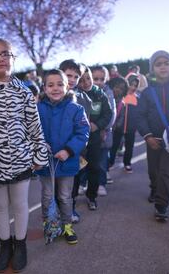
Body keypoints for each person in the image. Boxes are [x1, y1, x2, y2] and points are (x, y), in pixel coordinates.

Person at [0, 38, 48, 273]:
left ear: (13, 58)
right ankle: (5, 246)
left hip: (20, 158)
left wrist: (39, 155)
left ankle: (20, 245)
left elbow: (34, 127)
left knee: (20, 204)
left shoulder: (24, 92)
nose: (1, 58)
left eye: (6, 54)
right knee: (0, 206)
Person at [36, 69, 89, 244]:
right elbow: (31, 131)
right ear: (44, 87)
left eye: (60, 84)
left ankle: (67, 225)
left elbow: (82, 133)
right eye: (50, 85)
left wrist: (68, 150)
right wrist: (40, 144)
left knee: (65, 196)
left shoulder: (76, 109)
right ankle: (50, 225)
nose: (55, 88)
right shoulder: (37, 109)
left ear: (67, 87)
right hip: (45, 163)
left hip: (67, 163)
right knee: (47, 196)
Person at [136, 50, 169, 221]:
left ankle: (161, 205)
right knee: (153, 171)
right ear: (153, 69)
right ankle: (154, 187)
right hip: (153, 139)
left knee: (166, 172)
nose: (163, 67)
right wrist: (147, 136)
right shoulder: (147, 92)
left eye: (166, 63)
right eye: (158, 64)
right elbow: (140, 116)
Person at [58, 59, 92, 222]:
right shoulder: (52, 95)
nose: (72, 79)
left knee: (73, 182)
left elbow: (84, 128)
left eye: (76, 76)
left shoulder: (83, 99)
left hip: (75, 150)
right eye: (68, 75)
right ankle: (55, 213)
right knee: (54, 185)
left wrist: (75, 147)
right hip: (54, 150)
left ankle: (70, 210)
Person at [77, 65, 113, 210]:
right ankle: (73, 196)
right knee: (78, 169)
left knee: (94, 168)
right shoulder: (74, 95)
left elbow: (108, 114)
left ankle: (91, 197)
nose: (86, 83)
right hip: (78, 141)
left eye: (88, 78)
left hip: (94, 140)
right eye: (81, 80)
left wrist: (98, 125)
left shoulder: (100, 95)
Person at [91, 65, 116, 196]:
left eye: (102, 79)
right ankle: (85, 183)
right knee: (88, 161)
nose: (99, 82)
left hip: (104, 133)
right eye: (96, 79)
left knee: (101, 161)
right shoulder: (87, 91)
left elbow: (112, 113)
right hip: (90, 132)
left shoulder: (108, 92)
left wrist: (104, 128)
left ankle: (101, 183)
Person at [109, 75, 139, 173]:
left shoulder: (137, 98)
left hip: (131, 128)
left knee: (129, 147)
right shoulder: (121, 95)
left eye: (135, 85)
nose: (133, 87)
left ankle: (127, 163)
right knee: (114, 146)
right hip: (118, 127)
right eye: (131, 84)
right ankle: (110, 163)